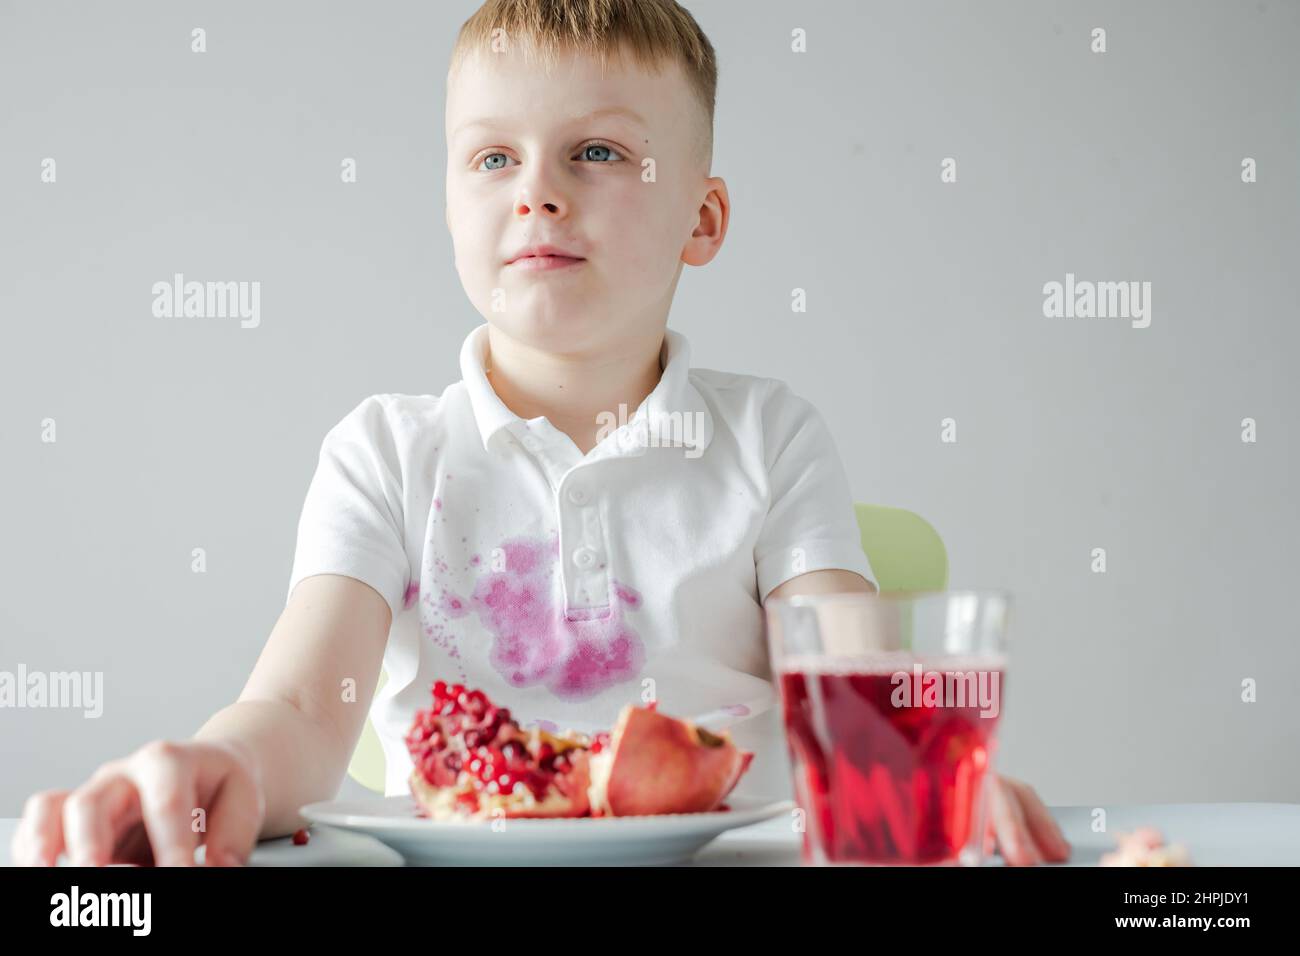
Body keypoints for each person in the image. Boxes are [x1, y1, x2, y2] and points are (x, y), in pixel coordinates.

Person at [11, 0, 1069, 867]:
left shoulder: (770, 436)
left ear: (702, 218)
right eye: (490, 160)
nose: (537, 195)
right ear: (447, 206)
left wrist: (931, 789)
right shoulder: (385, 452)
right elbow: (298, 702)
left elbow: (855, 686)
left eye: (596, 151)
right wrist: (218, 765)